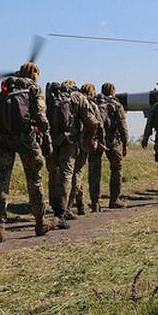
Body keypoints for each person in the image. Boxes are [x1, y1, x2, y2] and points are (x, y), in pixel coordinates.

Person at [0, 61, 54, 242]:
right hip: (26, 140)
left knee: (3, 181)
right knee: (34, 179)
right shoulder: (34, 89)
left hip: (4, 140)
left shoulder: (6, 89)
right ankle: (40, 222)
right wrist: (46, 140)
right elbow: (41, 118)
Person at [46, 80, 99, 229]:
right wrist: (89, 138)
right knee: (67, 175)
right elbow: (93, 122)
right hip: (70, 142)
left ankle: (54, 207)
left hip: (52, 141)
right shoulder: (78, 97)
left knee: (53, 174)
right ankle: (61, 212)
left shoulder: (51, 96)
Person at [88, 82, 130, 212]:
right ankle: (114, 199)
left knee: (94, 169)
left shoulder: (93, 103)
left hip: (95, 140)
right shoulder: (116, 105)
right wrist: (125, 144)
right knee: (116, 167)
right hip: (112, 141)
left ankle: (95, 202)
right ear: (113, 91)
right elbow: (123, 127)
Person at [68, 83, 102, 216]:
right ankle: (68, 206)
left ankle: (80, 204)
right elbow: (97, 124)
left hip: (63, 141)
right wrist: (92, 139)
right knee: (77, 173)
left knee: (68, 173)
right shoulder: (88, 104)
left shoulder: (65, 100)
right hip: (81, 142)